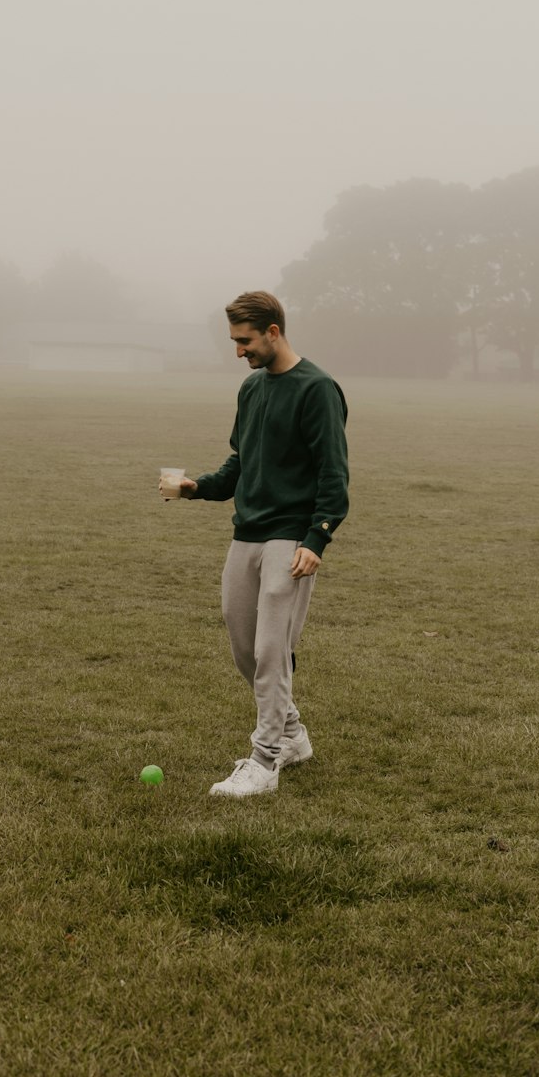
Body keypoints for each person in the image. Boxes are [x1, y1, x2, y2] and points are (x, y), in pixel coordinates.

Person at [163, 291, 349, 798]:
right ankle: (293, 736)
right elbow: (238, 464)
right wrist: (195, 487)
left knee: (272, 649)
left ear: (273, 331)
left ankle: (265, 760)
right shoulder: (251, 390)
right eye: (233, 341)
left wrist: (318, 539)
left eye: (244, 340)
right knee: (245, 648)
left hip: (290, 538)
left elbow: (334, 475)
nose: (239, 351)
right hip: (247, 532)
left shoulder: (317, 389)